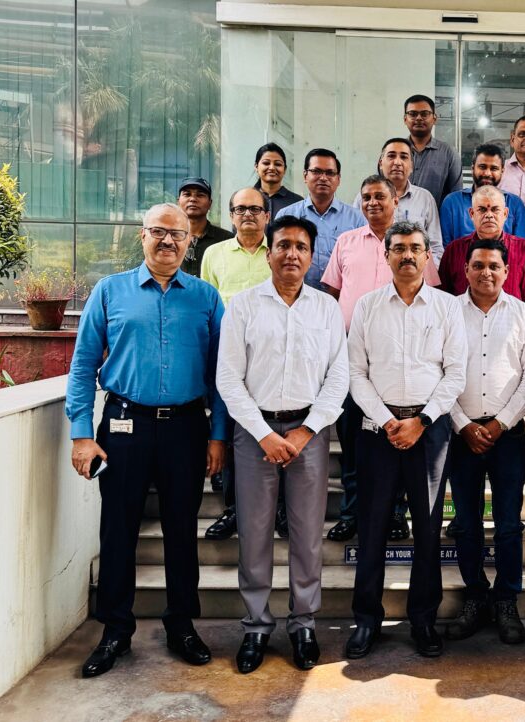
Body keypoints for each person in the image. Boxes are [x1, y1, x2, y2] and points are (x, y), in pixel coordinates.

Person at [66, 203, 227, 678]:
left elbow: (222, 374)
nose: (168, 241)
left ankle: (182, 625)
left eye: (177, 234)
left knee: (181, 530)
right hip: (123, 426)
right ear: (142, 236)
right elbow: (82, 365)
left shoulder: (206, 297)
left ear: (189, 242)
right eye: (158, 231)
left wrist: (218, 435)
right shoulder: (109, 291)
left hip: (186, 428)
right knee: (118, 531)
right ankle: (116, 630)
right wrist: (81, 434)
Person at [217, 215, 349, 674]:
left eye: (301, 247)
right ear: (268, 253)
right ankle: (256, 626)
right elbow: (228, 379)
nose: (292, 253)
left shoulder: (326, 309)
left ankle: (303, 624)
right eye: (284, 245)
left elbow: (338, 378)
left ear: (312, 257)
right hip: (255, 433)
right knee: (254, 533)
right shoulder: (243, 306)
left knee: (307, 535)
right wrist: (265, 434)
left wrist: (305, 431)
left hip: (309, 432)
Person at [344, 220, 466, 660]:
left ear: (428, 256)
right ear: (387, 255)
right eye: (399, 248)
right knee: (372, 527)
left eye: (416, 248)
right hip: (378, 431)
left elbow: (455, 373)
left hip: (430, 432)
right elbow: (355, 372)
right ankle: (366, 620)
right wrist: (386, 420)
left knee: (428, 529)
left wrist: (422, 420)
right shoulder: (367, 306)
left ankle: (423, 620)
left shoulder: (447, 307)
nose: (408, 255)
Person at [320, 175, 440, 544]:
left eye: (380, 196)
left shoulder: (412, 245)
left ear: (395, 202)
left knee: (401, 442)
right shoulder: (346, 242)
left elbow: (430, 295)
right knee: (353, 441)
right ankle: (352, 513)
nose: (373, 203)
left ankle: (396, 515)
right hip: (353, 359)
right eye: (367, 197)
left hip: (401, 363)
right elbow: (331, 293)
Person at [444, 238, 525, 645]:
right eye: (478, 265)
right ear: (465, 270)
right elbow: (437, 371)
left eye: (494, 266)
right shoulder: (448, 312)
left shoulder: (524, 315)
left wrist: (501, 423)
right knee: (466, 523)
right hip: (460, 433)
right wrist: (462, 423)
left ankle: (506, 600)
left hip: (507, 434)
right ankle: (475, 596)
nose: (486, 273)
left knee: (509, 524)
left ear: (507, 271)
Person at [200, 188, 288, 542]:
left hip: (273, 360)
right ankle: (234, 510)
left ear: (268, 215)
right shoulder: (214, 254)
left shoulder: (278, 252)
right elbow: (207, 305)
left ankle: (281, 510)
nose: (248, 214)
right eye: (241, 209)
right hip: (229, 359)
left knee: (277, 434)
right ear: (231, 215)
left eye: (255, 209)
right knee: (235, 435)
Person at [438, 185, 525, 316]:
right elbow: (442, 298)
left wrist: (518, 324)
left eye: (495, 210)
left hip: (512, 325)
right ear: (471, 214)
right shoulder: (454, 250)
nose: (489, 215)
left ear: (505, 214)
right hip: (463, 325)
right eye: (482, 210)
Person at [276, 148, 365, 290]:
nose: (323, 178)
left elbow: (362, 262)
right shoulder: (286, 215)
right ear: (305, 176)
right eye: (316, 171)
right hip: (297, 296)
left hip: (341, 298)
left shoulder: (357, 219)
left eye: (330, 173)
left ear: (338, 179)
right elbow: (277, 259)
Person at [439, 144, 525, 246]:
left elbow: (523, 247)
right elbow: (445, 247)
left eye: (494, 168)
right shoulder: (452, 202)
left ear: (502, 171)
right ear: (472, 168)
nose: (487, 173)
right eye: (482, 167)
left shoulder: (514, 203)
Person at [377, 137, 443, 260]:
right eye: (391, 156)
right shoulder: (366, 199)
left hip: (416, 270)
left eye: (403, 157)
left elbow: (435, 246)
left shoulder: (425, 198)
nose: (397, 162)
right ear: (381, 163)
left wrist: (427, 271)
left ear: (411, 166)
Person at [405, 94, 462, 206]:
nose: (419, 118)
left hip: (435, 217)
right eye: (413, 114)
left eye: (424, 114)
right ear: (405, 119)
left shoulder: (449, 153)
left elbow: (456, 197)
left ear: (434, 118)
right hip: (397, 216)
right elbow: (381, 186)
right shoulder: (393, 151)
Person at [178, 177, 232, 275]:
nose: (193, 199)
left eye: (200, 195)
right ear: (178, 201)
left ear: (210, 203)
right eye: (187, 194)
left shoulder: (227, 240)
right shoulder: (168, 238)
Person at [253, 142, 303, 220]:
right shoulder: (246, 198)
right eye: (266, 163)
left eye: (278, 164)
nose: (272, 168)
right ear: (256, 167)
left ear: (285, 169)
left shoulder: (297, 202)